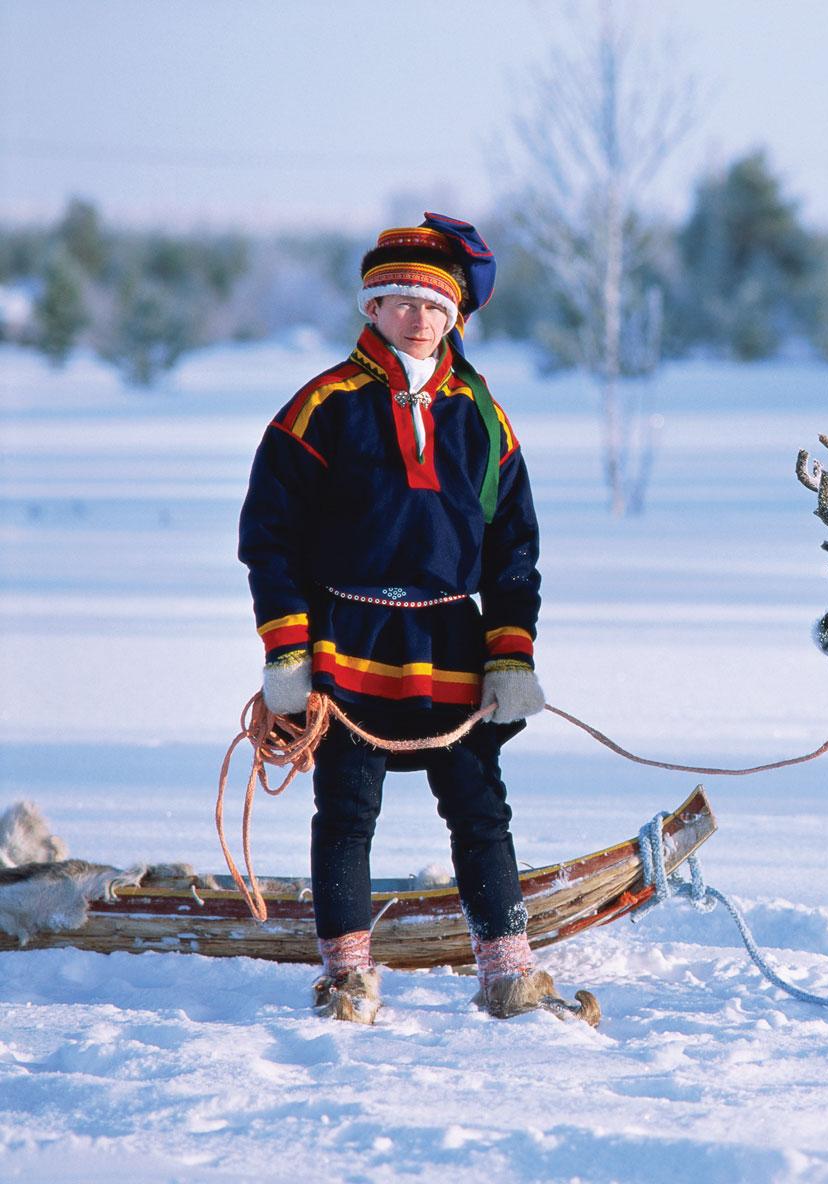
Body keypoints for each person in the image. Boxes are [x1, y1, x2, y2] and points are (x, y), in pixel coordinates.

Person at [239, 214, 588, 1025]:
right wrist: (287, 655)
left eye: (433, 306)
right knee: (347, 810)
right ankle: (348, 978)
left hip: (452, 643)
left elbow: (514, 549)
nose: (417, 318)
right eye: (398, 301)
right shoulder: (320, 406)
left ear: (455, 316)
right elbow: (270, 539)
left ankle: (508, 973)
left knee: (478, 807)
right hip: (347, 638)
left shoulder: (483, 415)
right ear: (371, 308)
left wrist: (511, 655)